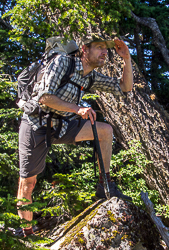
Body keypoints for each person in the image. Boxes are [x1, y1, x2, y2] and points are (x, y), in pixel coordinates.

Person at [16, 34, 133, 237]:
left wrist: (127, 59)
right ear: (84, 49)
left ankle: (104, 185)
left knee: (105, 131)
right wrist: (77, 109)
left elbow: (125, 87)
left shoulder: (89, 76)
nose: (104, 52)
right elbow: (44, 97)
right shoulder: (62, 62)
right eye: (98, 47)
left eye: (106, 49)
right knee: (28, 182)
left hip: (61, 126)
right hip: (36, 124)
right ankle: (26, 232)